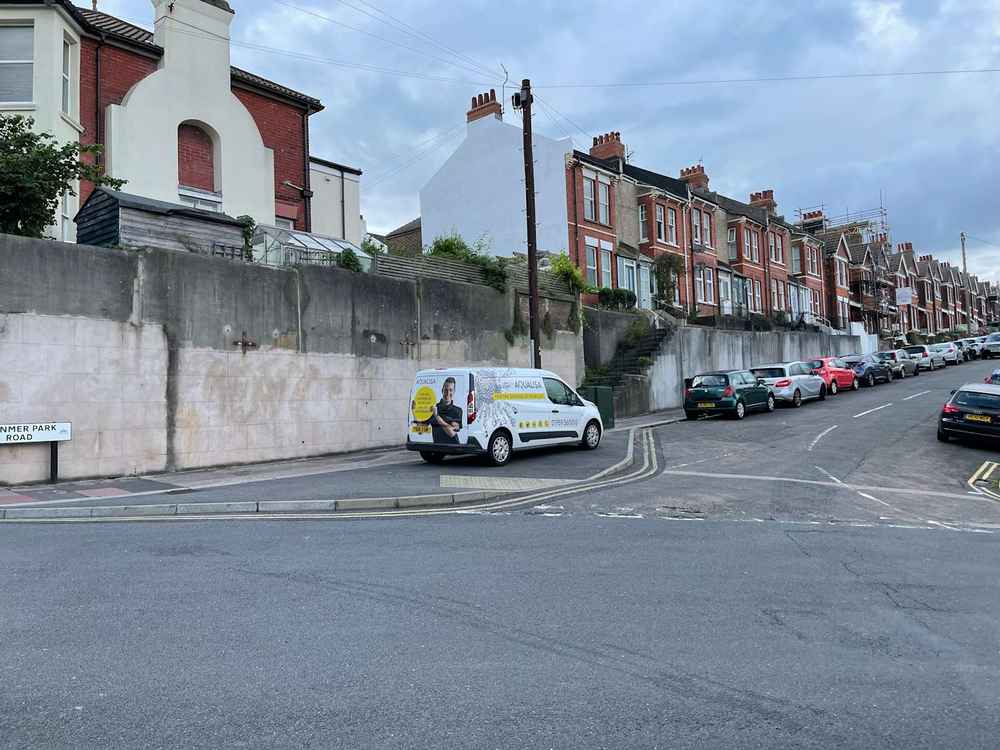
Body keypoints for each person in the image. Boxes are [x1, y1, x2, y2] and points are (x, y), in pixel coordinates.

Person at [431, 377, 463, 444]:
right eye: (446, 390)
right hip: (437, 447)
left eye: (451, 390)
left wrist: (437, 416)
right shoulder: (434, 408)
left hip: (454, 449)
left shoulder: (457, 411)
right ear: (442, 390)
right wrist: (415, 410)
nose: (448, 393)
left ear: (454, 392)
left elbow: (451, 433)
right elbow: (421, 425)